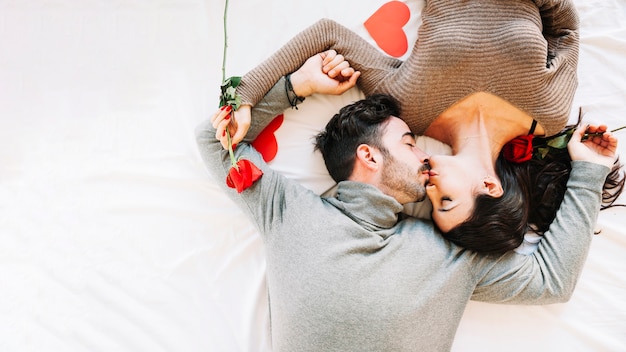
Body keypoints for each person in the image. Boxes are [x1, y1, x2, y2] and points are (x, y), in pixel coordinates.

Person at [197, 54, 619, 351]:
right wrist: (296, 87)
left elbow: (551, 281)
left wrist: (588, 169)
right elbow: (213, 140)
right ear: (368, 156)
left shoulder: (455, 253)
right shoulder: (288, 213)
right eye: (410, 143)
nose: (426, 156)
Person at [227, 0, 625, 253]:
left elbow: (327, 33)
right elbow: (566, 31)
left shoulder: (408, 113)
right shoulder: (549, 113)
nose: (427, 189)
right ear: (489, 187)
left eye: (430, 205)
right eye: (445, 201)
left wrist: (244, 95)